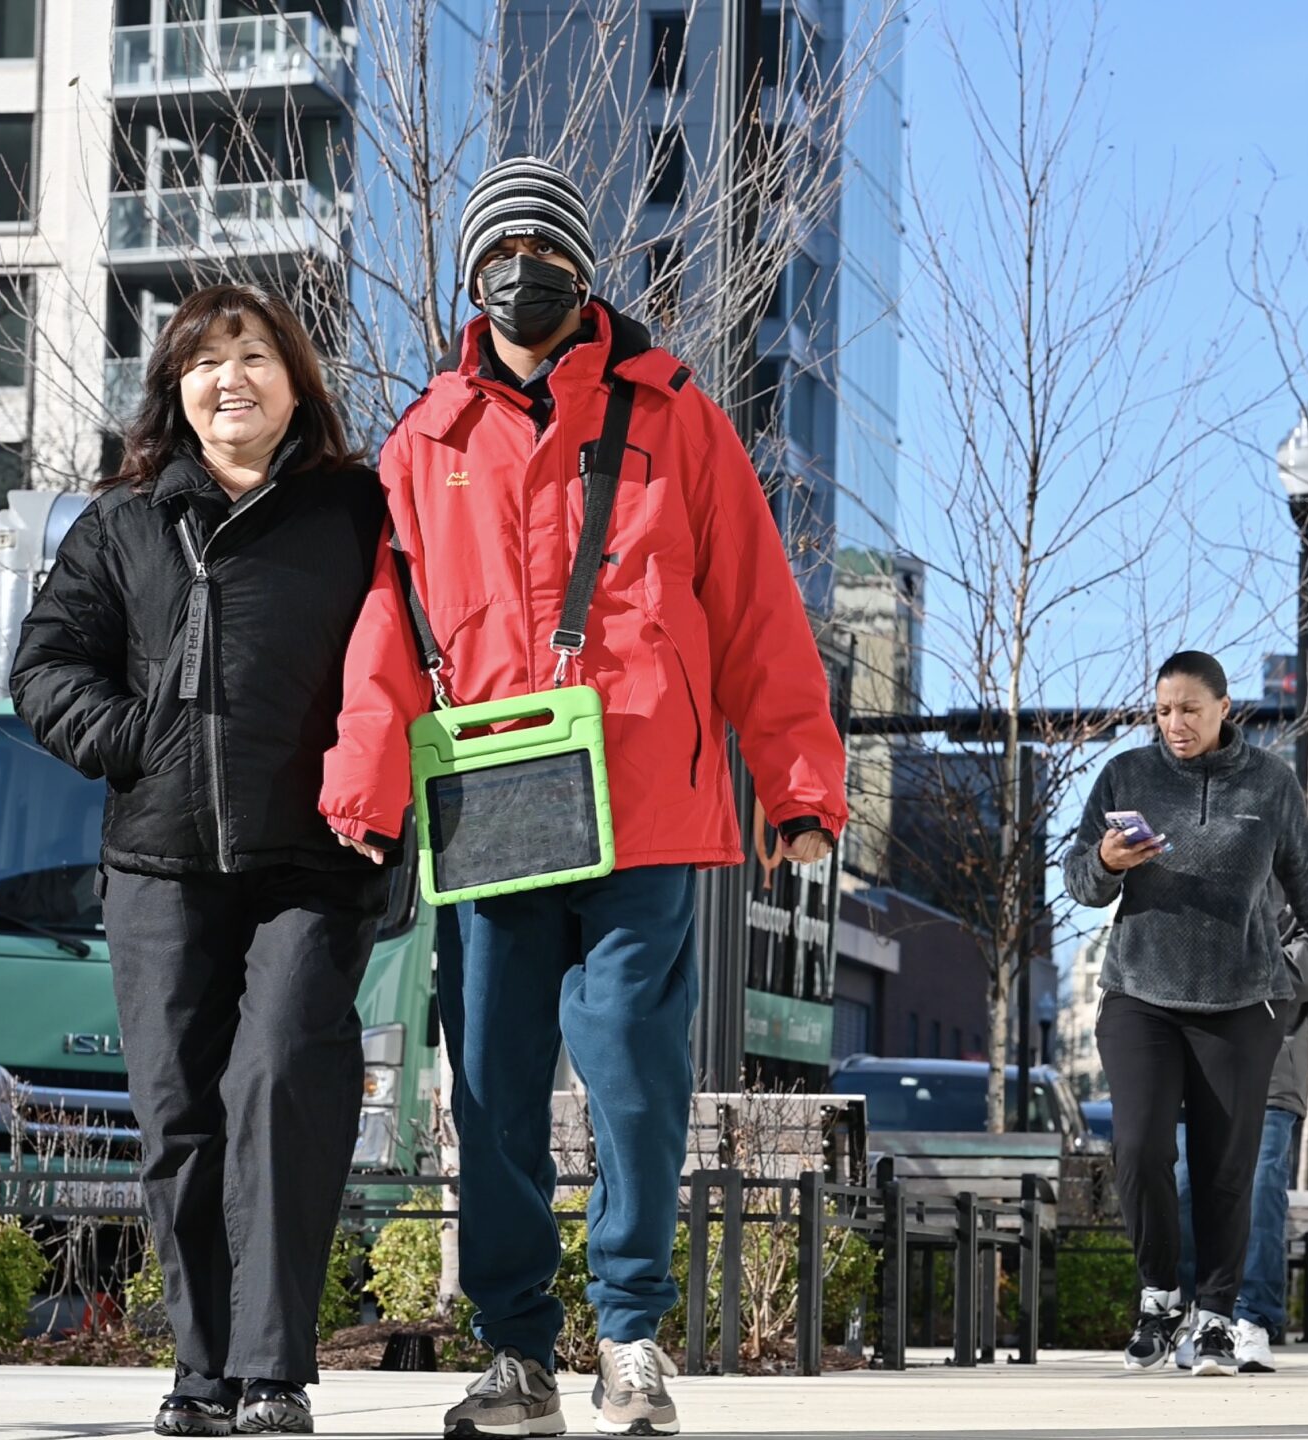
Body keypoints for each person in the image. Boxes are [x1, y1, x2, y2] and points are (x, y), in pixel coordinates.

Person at [320, 154, 847, 1438]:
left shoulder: (678, 418)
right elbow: (383, 635)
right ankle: (514, 1355)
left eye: (541, 253)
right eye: (496, 256)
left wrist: (797, 786)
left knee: (632, 1073)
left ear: (582, 269)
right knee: (491, 1083)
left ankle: (626, 1335)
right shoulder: (421, 440)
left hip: (648, 803)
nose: (520, 273)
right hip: (494, 799)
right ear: (470, 280)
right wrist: (360, 794)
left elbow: (759, 614)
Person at [10, 284, 381, 1437]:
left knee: (280, 1083)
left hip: (314, 864)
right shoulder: (121, 524)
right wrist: (133, 739)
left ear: (295, 382)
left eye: (257, 355)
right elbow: (45, 667)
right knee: (177, 1117)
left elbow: (421, 654)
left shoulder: (355, 512)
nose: (234, 378)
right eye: (208, 359)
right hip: (160, 864)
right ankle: (203, 1373)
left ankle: (274, 1374)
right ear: (176, 389)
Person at [1061, 650, 1308, 1378]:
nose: (1174, 723)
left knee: (1226, 1168)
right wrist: (1110, 862)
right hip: (1140, 994)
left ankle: (1213, 1319)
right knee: (1141, 1148)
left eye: (1188, 709)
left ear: (1223, 708)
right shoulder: (1127, 775)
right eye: (1163, 711)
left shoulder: (1269, 783)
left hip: (1242, 1002)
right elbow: (1079, 880)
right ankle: (1156, 1297)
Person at [1168, 908, 1308, 1373]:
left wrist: (1226, 956)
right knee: (1182, 1191)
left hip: (1270, 1077)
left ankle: (1251, 1319)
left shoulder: (1303, 894)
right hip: (1190, 1074)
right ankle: (1201, 1317)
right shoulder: (1189, 876)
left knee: (1259, 1193)